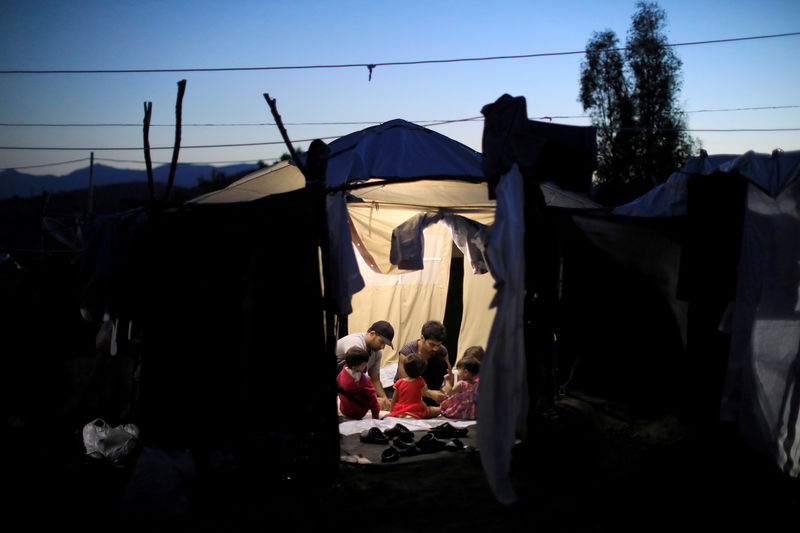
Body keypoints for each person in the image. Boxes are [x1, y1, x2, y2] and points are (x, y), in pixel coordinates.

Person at [335, 320, 394, 411]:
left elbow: (375, 379)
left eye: (385, 344)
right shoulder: (355, 343)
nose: (383, 347)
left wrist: (385, 399)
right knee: (353, 370)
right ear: (372, 333)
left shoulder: (377, 353)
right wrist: (372, 400)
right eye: (381, 342)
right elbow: (352, 375)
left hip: (352, 381)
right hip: (341, 377)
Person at [395, 320, 451, 405]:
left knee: (440, 361)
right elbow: (405, 381)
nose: (435, 349)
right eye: (432, 344)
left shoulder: (442, 351)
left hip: (429, 388)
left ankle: (431, 401)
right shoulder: (407, 351)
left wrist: (446, 389)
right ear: (422, 338)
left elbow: (449, 377)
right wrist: (429, 393)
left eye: (438, 345)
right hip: (408, 388)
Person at [387, 353, 441, 419]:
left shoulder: (399, 382)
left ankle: (404, 415)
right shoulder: (420, 381)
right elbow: (425, 392)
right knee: (435, 410)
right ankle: (410, 415)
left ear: (405, 368)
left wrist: (392, 412)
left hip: (400, 410)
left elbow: (394, 399)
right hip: (415, 409)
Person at [336, 346, 381, 420]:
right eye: (364, 365)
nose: (366, 366)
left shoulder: (342, 373)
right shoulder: (362, 382)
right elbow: (372, 396)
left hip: (344, 410)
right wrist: (375, 413)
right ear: (354, 367)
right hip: (357, 412)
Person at [440, 355, 480, 420]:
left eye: (459, 371)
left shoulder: (461, 384)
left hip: (459, 412)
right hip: (473, 413)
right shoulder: (478, 385)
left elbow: (450, 392)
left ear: (465, 372)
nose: (458, 374)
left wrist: (447, 380)